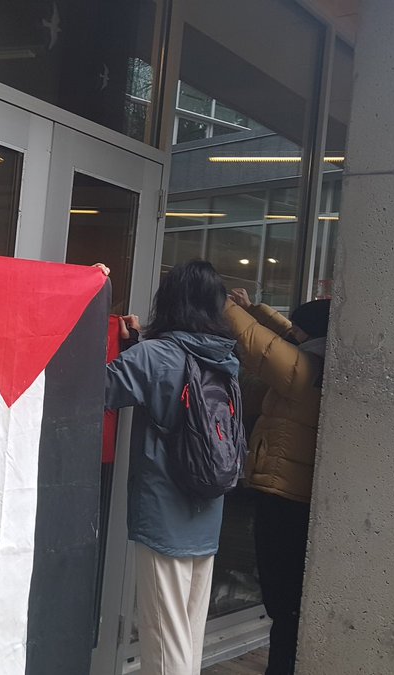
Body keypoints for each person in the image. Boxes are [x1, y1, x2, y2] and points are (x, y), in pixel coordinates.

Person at [104, 260, 240, 675]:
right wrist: (135, 347)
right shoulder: (225, 357)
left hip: (164, 514)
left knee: (165, 646)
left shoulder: (156, 354)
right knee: (187, 638)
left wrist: (107, 336)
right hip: (207, 510)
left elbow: (93, 391)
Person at [223, 289, 330, 675]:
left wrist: (225, 306)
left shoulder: (309, 369)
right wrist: (254, 309)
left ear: (312, 334)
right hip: (293, 493)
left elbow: (265, 347)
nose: (293, 332)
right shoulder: (321, 356)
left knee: (284, 603)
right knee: (287, 604)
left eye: (299, 328)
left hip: (286, 497)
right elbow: (283, 335)